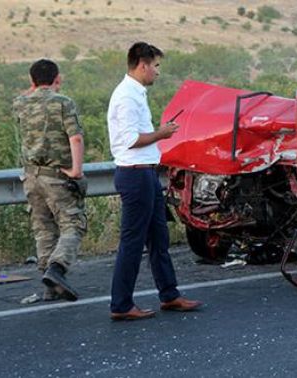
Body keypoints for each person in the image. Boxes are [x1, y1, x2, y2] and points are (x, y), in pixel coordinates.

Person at [107, 42, 201, 321]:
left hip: (146, 172)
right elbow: (130, 139)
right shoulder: (126, 96)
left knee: (159, 237)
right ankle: (121, 303)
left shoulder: (137, 94)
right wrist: (162, 133)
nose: (158, 72)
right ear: (142, 64)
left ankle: (169, 294)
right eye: (156, 66)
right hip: (134, 174)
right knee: (133, 241)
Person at [12, 59, 87, 302]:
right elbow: (75, 138)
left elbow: (27, 96)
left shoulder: (20, 104)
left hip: (31, 176)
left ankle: (49, 287)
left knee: (43, 229)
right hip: (57, 175)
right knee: (73, 224)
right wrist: (76, 170)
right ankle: (57, 268)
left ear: (32, 81)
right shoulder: (63, 102)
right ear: (58, 78)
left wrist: (33, 89)